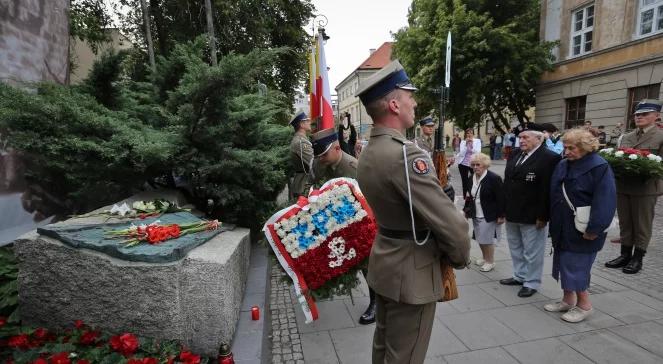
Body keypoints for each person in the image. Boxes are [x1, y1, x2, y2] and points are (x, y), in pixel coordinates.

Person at [355, 60, 470, 364]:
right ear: (394, 105)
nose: (415, 103)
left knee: (383, 349)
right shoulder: (407, 156)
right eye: (409, 96)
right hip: (413, 272)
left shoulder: (369, 152)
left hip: (387, 265)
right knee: (405, 357)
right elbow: (451, 225)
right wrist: (459, 257)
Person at [547, 128, 616, 322]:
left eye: (572, 148)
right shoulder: (563, 164)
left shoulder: (599, 166)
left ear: (585, 147)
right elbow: (553, 192)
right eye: (565, 147)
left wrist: (595, 228)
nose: (567, 151)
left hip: (584, 227)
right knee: (563, 261)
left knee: (576, 265)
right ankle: (568, 300)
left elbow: (606, 200)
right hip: (563, 224)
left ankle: (584, 306)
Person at [309, 128, 378, 325]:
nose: (320, 159)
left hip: (360, 221)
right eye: (319, 156)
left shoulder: (354, 167)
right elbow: (314, 184)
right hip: (335, 220)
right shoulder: (321, 163)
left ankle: (376, 303)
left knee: (367, 264)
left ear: (337, 148)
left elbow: (370, 199)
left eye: (324, 155)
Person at [500, 130, 562, 297]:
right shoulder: (515, 154)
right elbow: (507, 182)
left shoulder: (550, 158)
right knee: (515, 247)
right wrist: (502, 208)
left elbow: (548, 190)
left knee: (533, 251)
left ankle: (532, 282)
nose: (521, 140)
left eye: (525, 137)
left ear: (539, 138)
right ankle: (519, 276)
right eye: (520, 137)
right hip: (512, 210)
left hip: (533, 213)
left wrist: (543, 215)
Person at [605, 99, 663, 274]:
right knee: (625, 222)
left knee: (642, 224)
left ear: (657, 116)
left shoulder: (660, 136)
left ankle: (638, 258)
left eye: (645, 114)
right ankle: (625, 254)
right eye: (637, 114)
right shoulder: (627, 136)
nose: (639, 117)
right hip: (623, 186)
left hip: (646, 187)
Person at [465, 153, 505, 272]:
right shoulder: (471, 177)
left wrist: (501, 215)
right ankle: (484, 257)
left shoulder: (494, 178)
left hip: (489, 214)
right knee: (479, 237)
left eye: (478, 165)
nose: (475, 167)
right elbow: (469, 196)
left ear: (485, 165)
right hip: (475, 212)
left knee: (487, 240)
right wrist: (465, 211)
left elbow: (501, 198)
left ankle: (490, 261)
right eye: (473, 165)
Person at [289, 111, 313, 199]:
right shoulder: (300, 142)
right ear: (302, 124)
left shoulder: (302, 140)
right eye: (307, 121)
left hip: (303, 183)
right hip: (303, 185)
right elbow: (312, 162)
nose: (309, 122)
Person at [454, 129, 482, 198]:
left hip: (473, 164)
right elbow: (461, 153)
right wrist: (466, 145)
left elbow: (478, 152)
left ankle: (473, 195)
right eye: (468, 133)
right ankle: (465, 196)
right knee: (464, 181)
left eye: (471, 133)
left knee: (474, 180)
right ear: (466, 134)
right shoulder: (463, 142)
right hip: (463, 164)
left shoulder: (477, 141)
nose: (469, 135)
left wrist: (471, 145)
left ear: (473, 134)